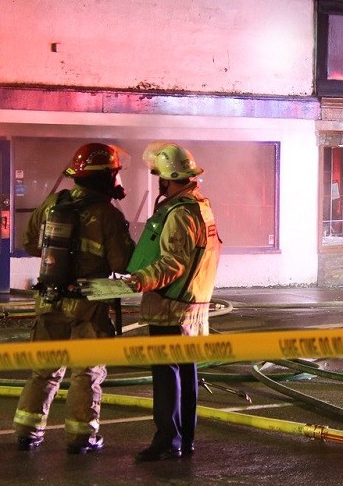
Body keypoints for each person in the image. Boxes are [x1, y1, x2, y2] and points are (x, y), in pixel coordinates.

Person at [13, 143, 134, 455]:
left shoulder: (54, 202)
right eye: (114, 173)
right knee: (86, 373)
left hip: (49, 298)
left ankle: (27, 432)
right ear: (105, 176)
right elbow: (122, 263)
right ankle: (82, 438)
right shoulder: (106, 214)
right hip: (87, 306)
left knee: (43, 370)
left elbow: (29, 242)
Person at [124, 142, 222, 462]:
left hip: (171, 308)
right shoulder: (200, 207)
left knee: (167, 378)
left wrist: (139, 279)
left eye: (160, 178)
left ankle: (168, 440)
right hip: (191, 307)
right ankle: (185, 439)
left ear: (168, 179)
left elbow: (173, 264)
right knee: (186, 374)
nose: (160, 183)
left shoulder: (179, 213)